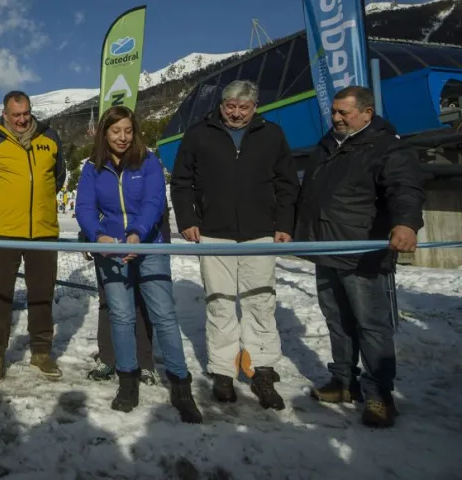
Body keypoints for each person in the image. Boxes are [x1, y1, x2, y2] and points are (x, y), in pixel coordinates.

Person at [294, 86, 424, 428]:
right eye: (334, 112)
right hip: (326, 249)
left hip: (362, 251)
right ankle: (343, 382)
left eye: (343, 113)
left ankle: (380, 395)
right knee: (338, 322)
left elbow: (405, 189)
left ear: (367, 113)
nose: (335, 118)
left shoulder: (387, 147)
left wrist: (406, 223)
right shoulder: (328, 144)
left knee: (371, 326)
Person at [170, 79, 299, 410]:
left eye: (244, 108)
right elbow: (182, 181)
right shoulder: (199, 134)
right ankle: (223, 372)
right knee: (220, 303)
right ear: (221, 105)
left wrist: (284, 224)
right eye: (230, 107)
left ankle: (262, 371)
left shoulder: (272, 135)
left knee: (260, 303)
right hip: (214, 232)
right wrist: (187, 220)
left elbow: (287, 183)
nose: (237, 114)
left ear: (255, 107)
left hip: (260, 232)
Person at [76, 106, 203, 423]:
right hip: (112, 249)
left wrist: (137, 235)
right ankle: (127, 380)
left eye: (128, 130)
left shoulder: (149, 162)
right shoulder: (93, 168)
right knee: (120, 314)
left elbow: (154, 202)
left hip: (149, 244)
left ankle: (180, 384)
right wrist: (98, 236)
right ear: (105, 132)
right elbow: (85, 208)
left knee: (163, 314)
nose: (122, 137)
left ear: (135, 132)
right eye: (116, 130)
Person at [0, 90, 66, 382]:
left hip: (43, 230)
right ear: (5, 114)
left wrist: (41, 202)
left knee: (42, 293)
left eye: (26, 113)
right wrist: (3, 205)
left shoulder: (50, 138)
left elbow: (59, 176)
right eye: (16, 115)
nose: (22, 120)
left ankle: (41, 352)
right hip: (4, 232)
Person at [86, 204, 172, 386]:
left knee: (141, 302)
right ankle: (107, 358)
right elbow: (89, 203)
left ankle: (145, 362)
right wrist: (88, 234)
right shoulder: (97, 174)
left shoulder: (147, 175)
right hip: (107, 242)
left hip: (146, 241)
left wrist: (160, 236)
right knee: (108, 303)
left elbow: (156, 205)